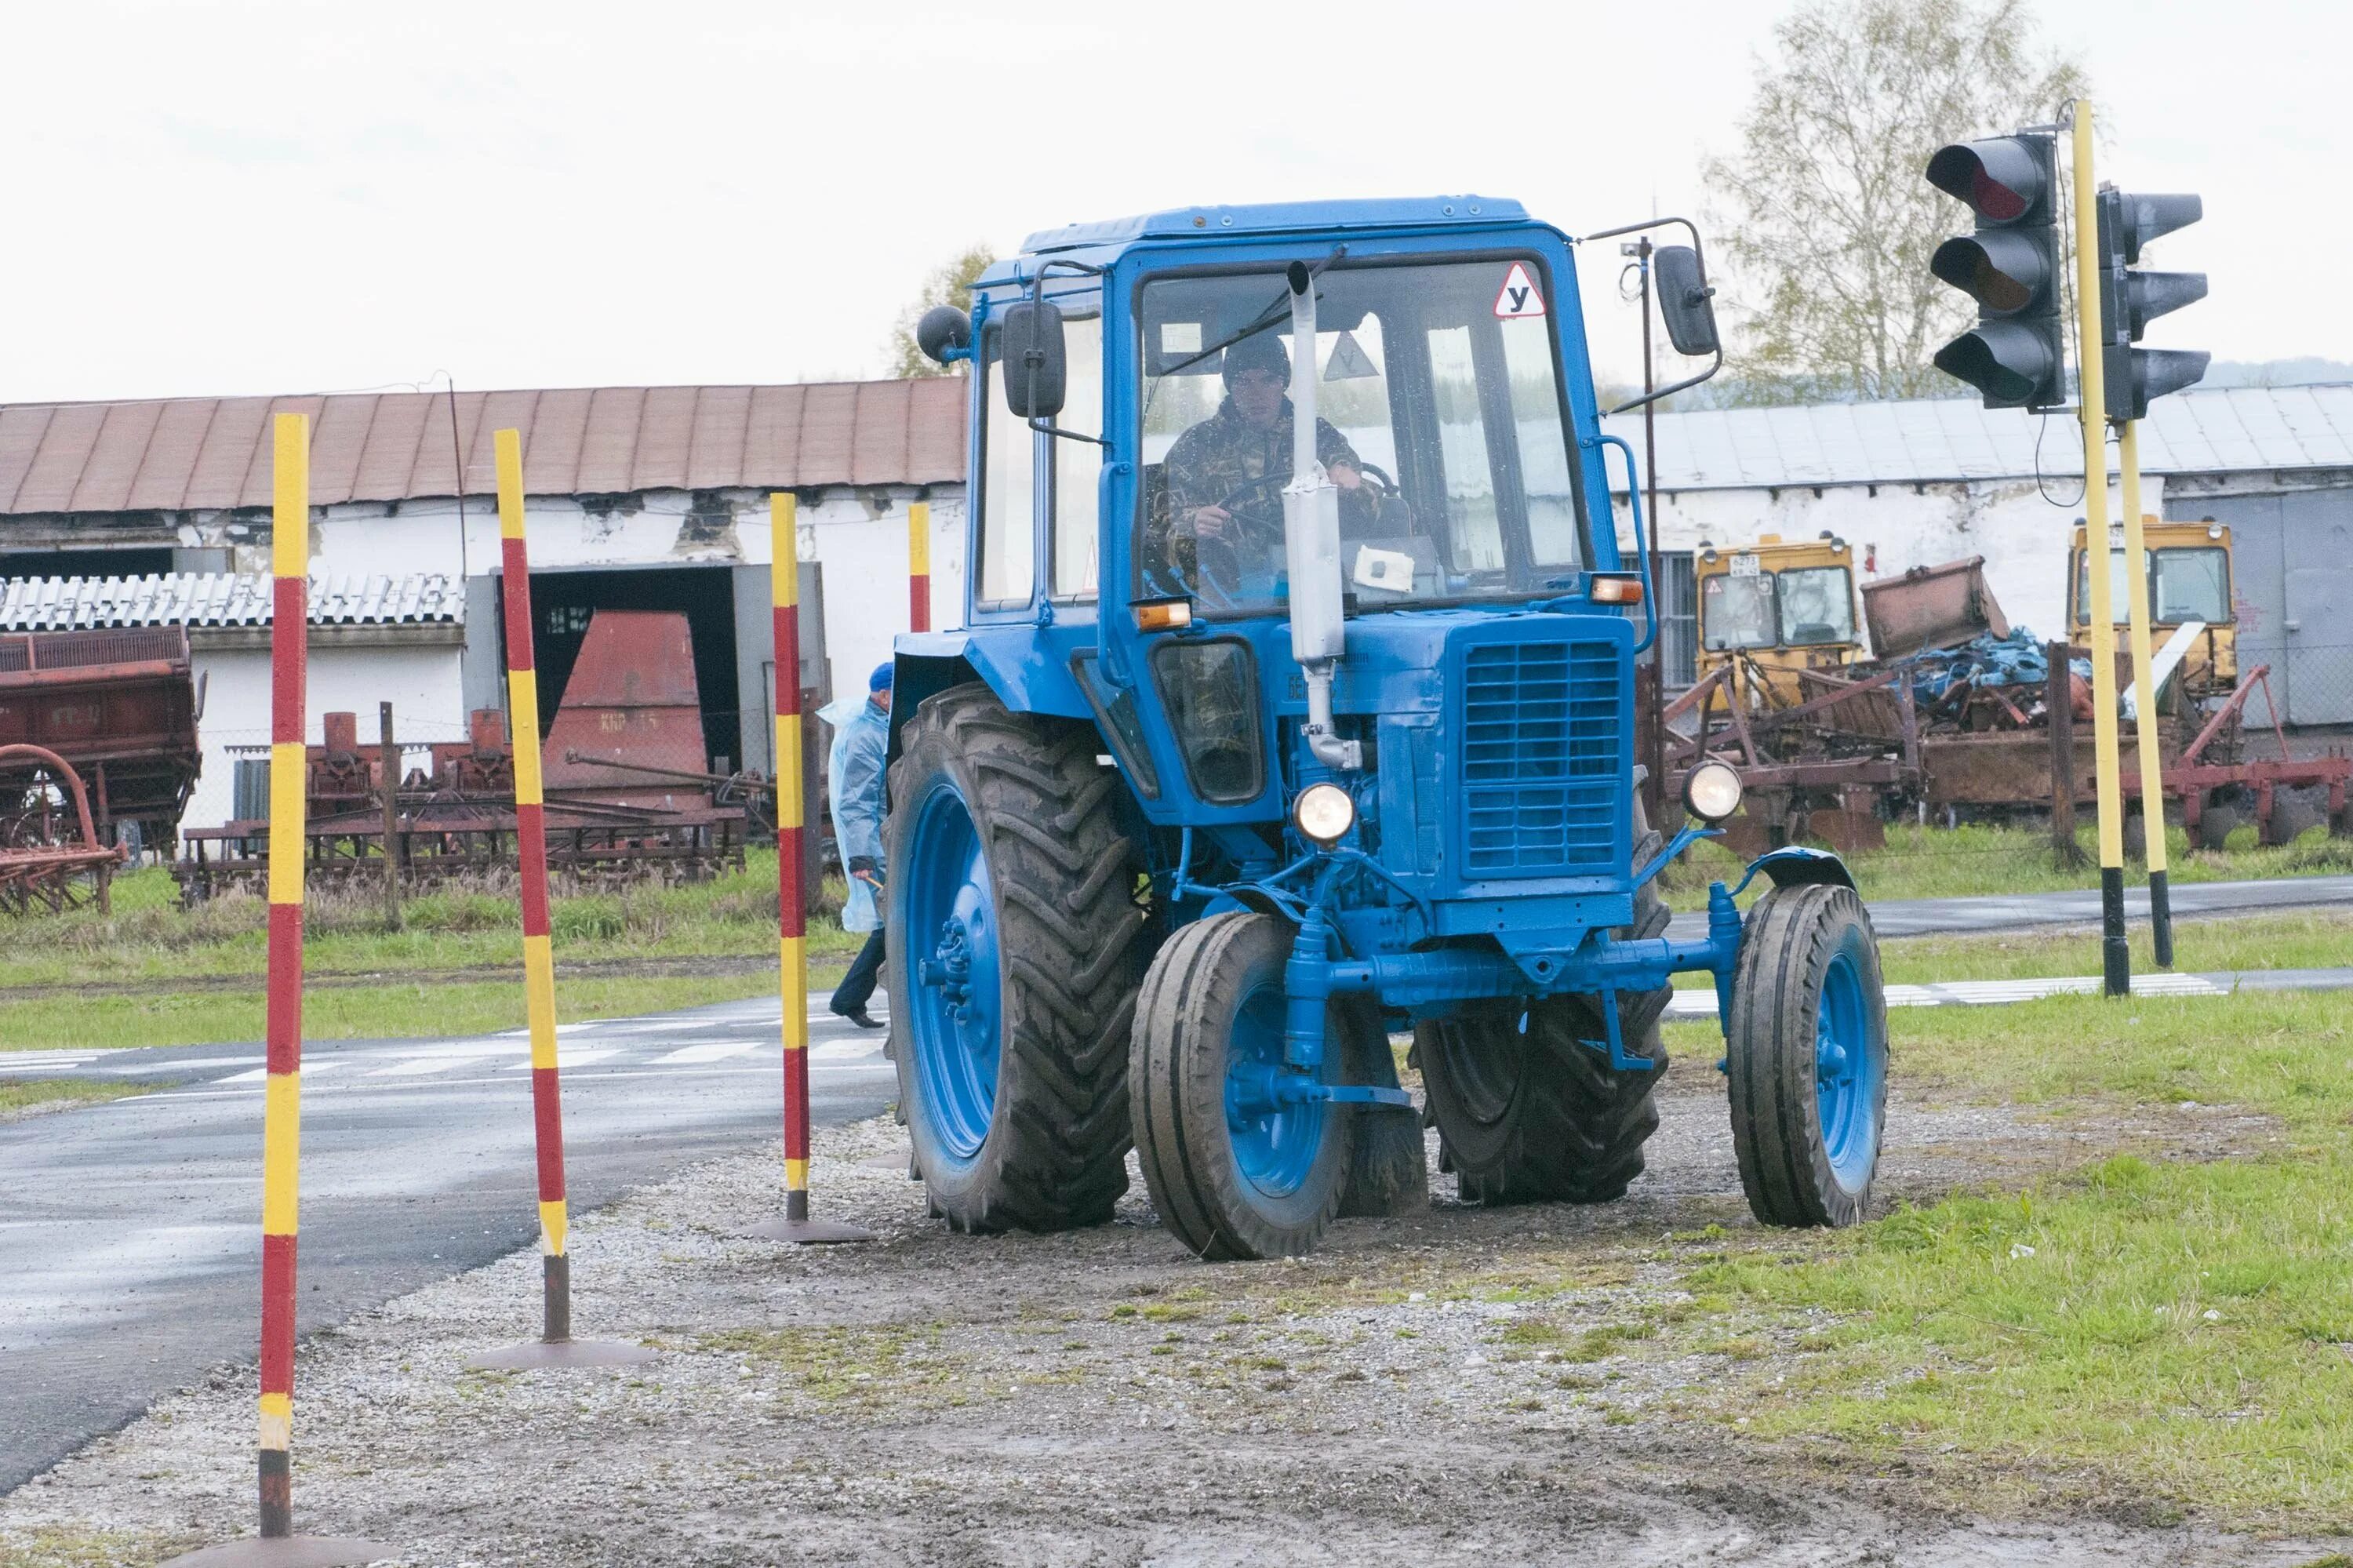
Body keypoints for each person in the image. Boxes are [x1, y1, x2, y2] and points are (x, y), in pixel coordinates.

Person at [1155, 330, 1369, 588]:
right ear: (1231, 386)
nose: (1256, 393)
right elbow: (1160, 530)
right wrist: (1194, 521)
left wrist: (1349, 483)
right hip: (1227, 597)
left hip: (1317, 586)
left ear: (1283, 383)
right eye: (1244, 382)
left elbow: (1370, 509)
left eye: (1268, 380)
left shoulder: (1317, 436)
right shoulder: (1196, 445)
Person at [827, 662, 893, 1029]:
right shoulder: (867, 736)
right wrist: (861, 856)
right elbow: (856, 802)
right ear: (883, 695)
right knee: (895, 924)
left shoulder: (881, 728)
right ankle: (850, 999)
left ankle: (849, 999)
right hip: (878, 846)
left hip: (885, 841)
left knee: (890, 927)